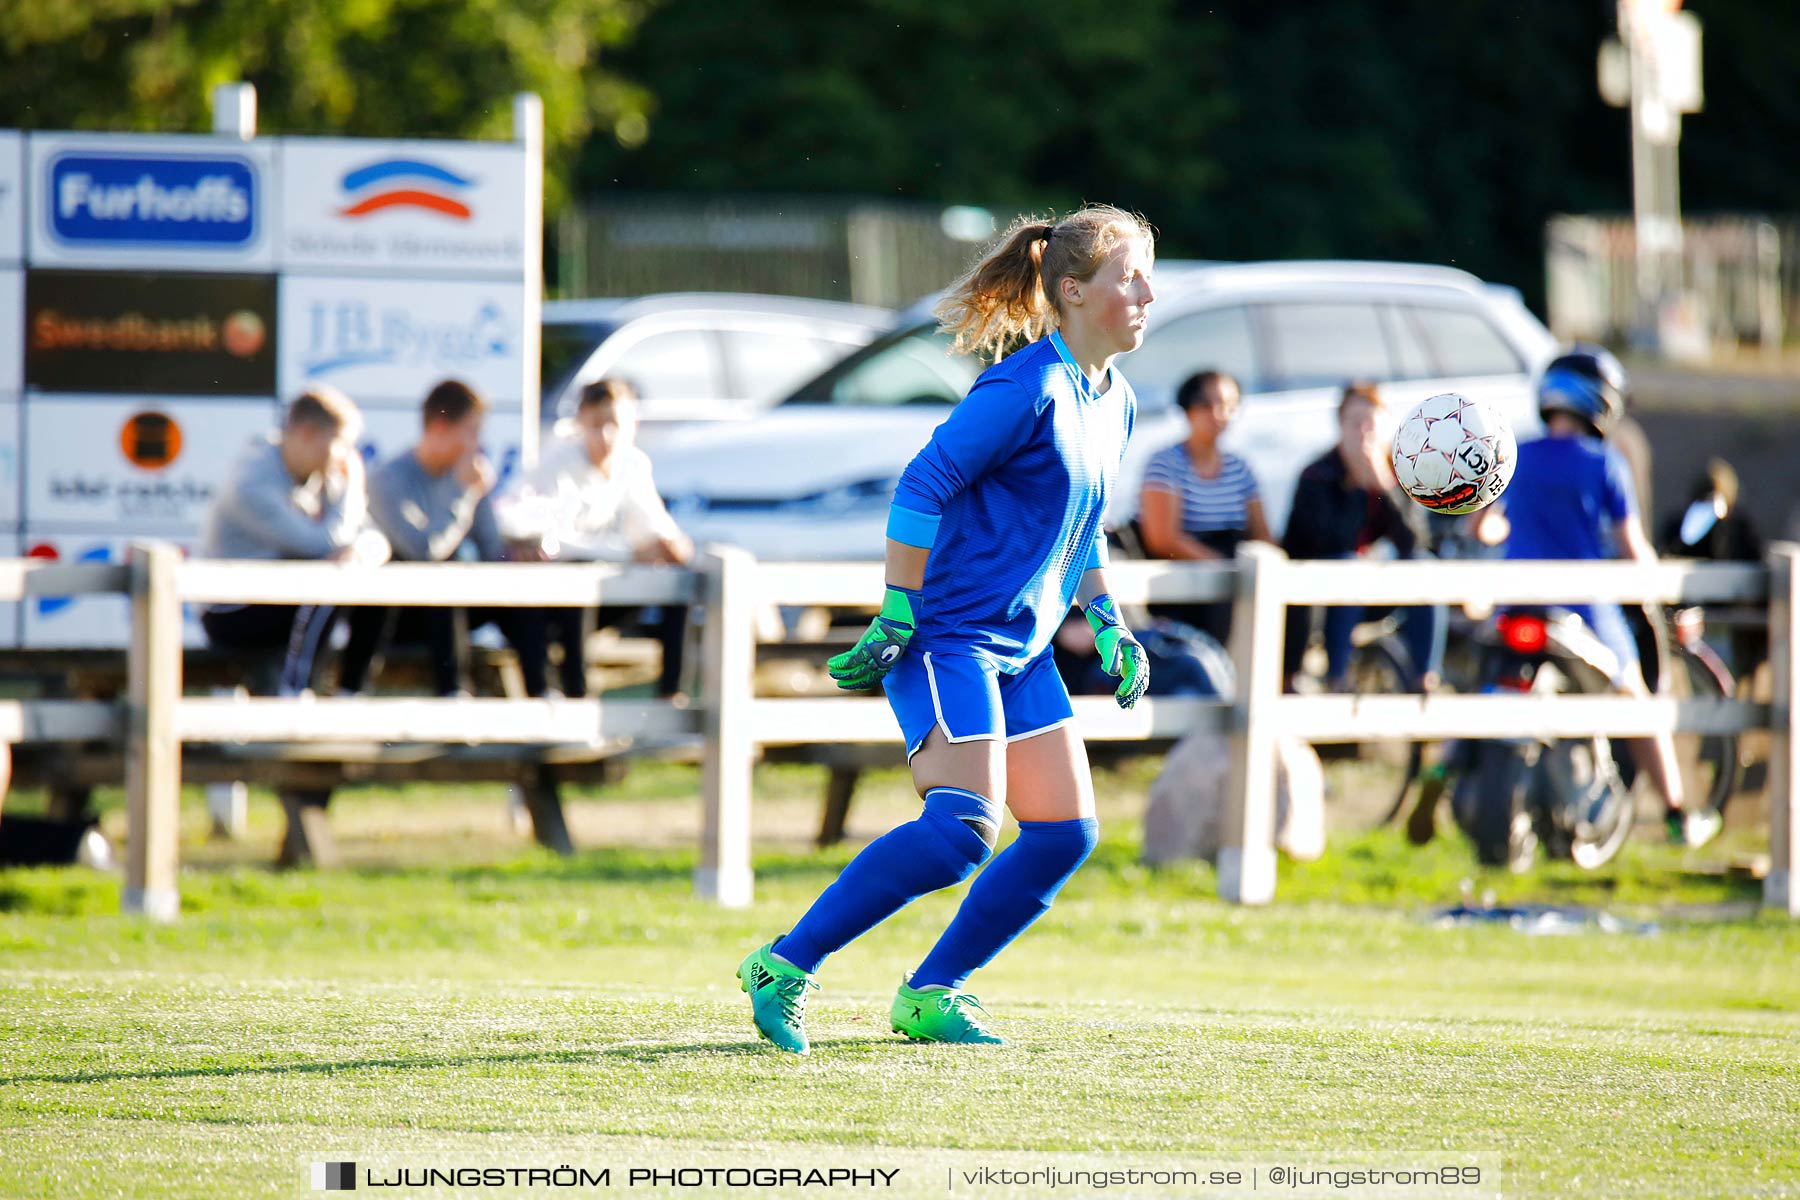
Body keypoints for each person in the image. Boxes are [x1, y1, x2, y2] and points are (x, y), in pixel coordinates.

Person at [734, 205, 1156, 1053]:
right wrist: (898, 608)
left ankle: (930, 995)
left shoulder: (1116, 400)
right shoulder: (1025, 386)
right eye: (1129, 275)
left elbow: (1083, 527)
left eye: (1150, 271)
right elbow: (919, 487)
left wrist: (1107, 619)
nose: (1148, 290)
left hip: (1021, 650)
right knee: (963, 829)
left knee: (1063, 835)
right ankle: (784, 965)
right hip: (950, 638)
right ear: (1072, 291)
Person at [1475, 346, 1719, 848]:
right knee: (1640, 706)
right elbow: (1632, 547)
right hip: (1584, 609)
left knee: (1479, 690)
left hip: (1517, 603)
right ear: (1602, 402)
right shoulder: (1606, 464)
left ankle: (1442, 771)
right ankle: (1677, 815)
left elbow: (1486, 526)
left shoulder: (1516, 452)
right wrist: (1664, 583)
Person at [339, 379, 550, 698]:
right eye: (472, 431)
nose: (478, 444)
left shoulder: (467, 477)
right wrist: (463, 492)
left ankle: (545, 696)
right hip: (394, 614)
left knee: (516, 588)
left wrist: (522, 552)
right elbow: (424, 552)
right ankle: (453, 695)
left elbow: (492, 551)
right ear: (439, 426)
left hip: (451, 610)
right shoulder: (389, 479)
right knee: (445, 572)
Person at [495, 377, 694, 697]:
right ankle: (575, 695)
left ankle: (672, 694)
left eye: (615, 423)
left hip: (601, 594)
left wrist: (672, 544)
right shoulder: (556, 462)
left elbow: (654, 526)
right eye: (597, 424)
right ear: (580, 423)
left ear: (633, 424)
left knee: (677, 578)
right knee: (578, 578)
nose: (607, 436)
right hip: (550, 600)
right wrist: (629, 552)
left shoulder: (633, 465)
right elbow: (532, 529)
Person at [198, 385, 385, 695]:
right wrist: (354, 488)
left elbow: (375, 540)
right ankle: (296, 694)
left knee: (368, 580)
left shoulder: (321, 472)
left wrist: (359, 552)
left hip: (282, 598)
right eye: (343, 445)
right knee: (329, 581)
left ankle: (350, 694)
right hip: (232, 612)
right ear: (309, 432)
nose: (347, 458)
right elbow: (320, 544)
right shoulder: (252, 482)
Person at [1280, 382, 1443, 692]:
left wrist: (1384, 487)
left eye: (1371, 422)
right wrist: (1356, 486)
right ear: (1340, 426)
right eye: (1355, 423)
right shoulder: (1318, 475)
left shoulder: (1398, 473)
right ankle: (1336, 677)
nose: (1364, 432)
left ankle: (1425, 676)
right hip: (1321, 588)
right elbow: (1333, 541)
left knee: (1424, 565)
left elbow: (1415, 541)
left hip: (1378, 588)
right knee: (1348, 565)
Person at [1136, 369, 1272, 643]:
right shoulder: (1165, 463)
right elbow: (1163, 539)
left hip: (1233, 561)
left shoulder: (1240, 467)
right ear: (1188, 408)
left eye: (1228, 406)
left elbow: (1262, 535)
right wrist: (1221, 567)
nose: (1219, 414)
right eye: (1208, 405)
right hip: (1185, 576)